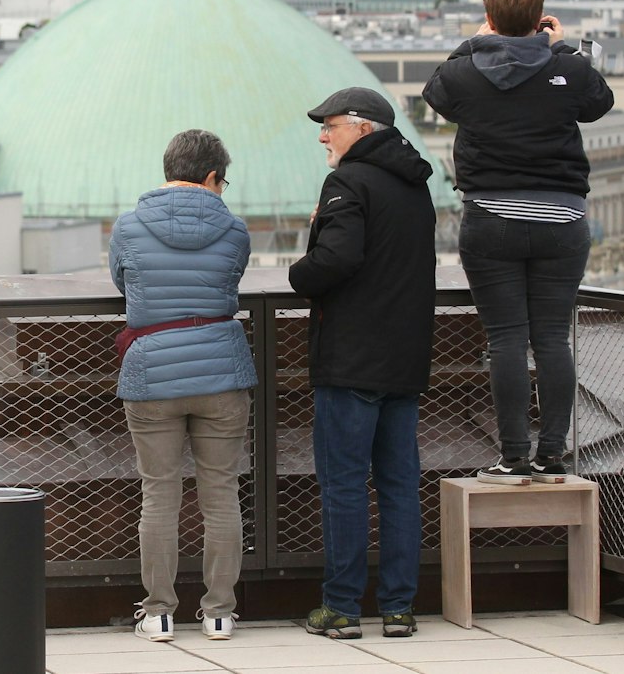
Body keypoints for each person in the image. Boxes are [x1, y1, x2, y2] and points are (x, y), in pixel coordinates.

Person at [422, 0, 614, 485]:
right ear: (538, 17)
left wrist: (478, 39)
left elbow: (434, 90)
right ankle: (553, 452)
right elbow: (599, 102)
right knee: (552, 338)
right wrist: (560, 47)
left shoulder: (465, 73)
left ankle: (513, 457)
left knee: (505, 340)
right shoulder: (567, 69)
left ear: (489, 16)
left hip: (491, 219)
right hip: (562, 219)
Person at [287, 87, 436, 641]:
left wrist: (300, 270)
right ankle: (398, 608)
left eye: (331, 126)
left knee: (345, 484)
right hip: (405, 358)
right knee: (399, 485)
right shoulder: (415, 184)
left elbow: (339, 259)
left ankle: (342, 608)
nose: (323, 136)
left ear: (363, 129)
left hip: (351, 361)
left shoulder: (347, 181)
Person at [110, 130, 255, 644]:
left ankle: (158, 612)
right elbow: (230, 285)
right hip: (220, 372)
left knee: (160, 495)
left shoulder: (129, 226)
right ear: (213, 176)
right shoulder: (234, 230)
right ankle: (218, 612)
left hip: (153, 375)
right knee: (221, 494)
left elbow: (123, 285)